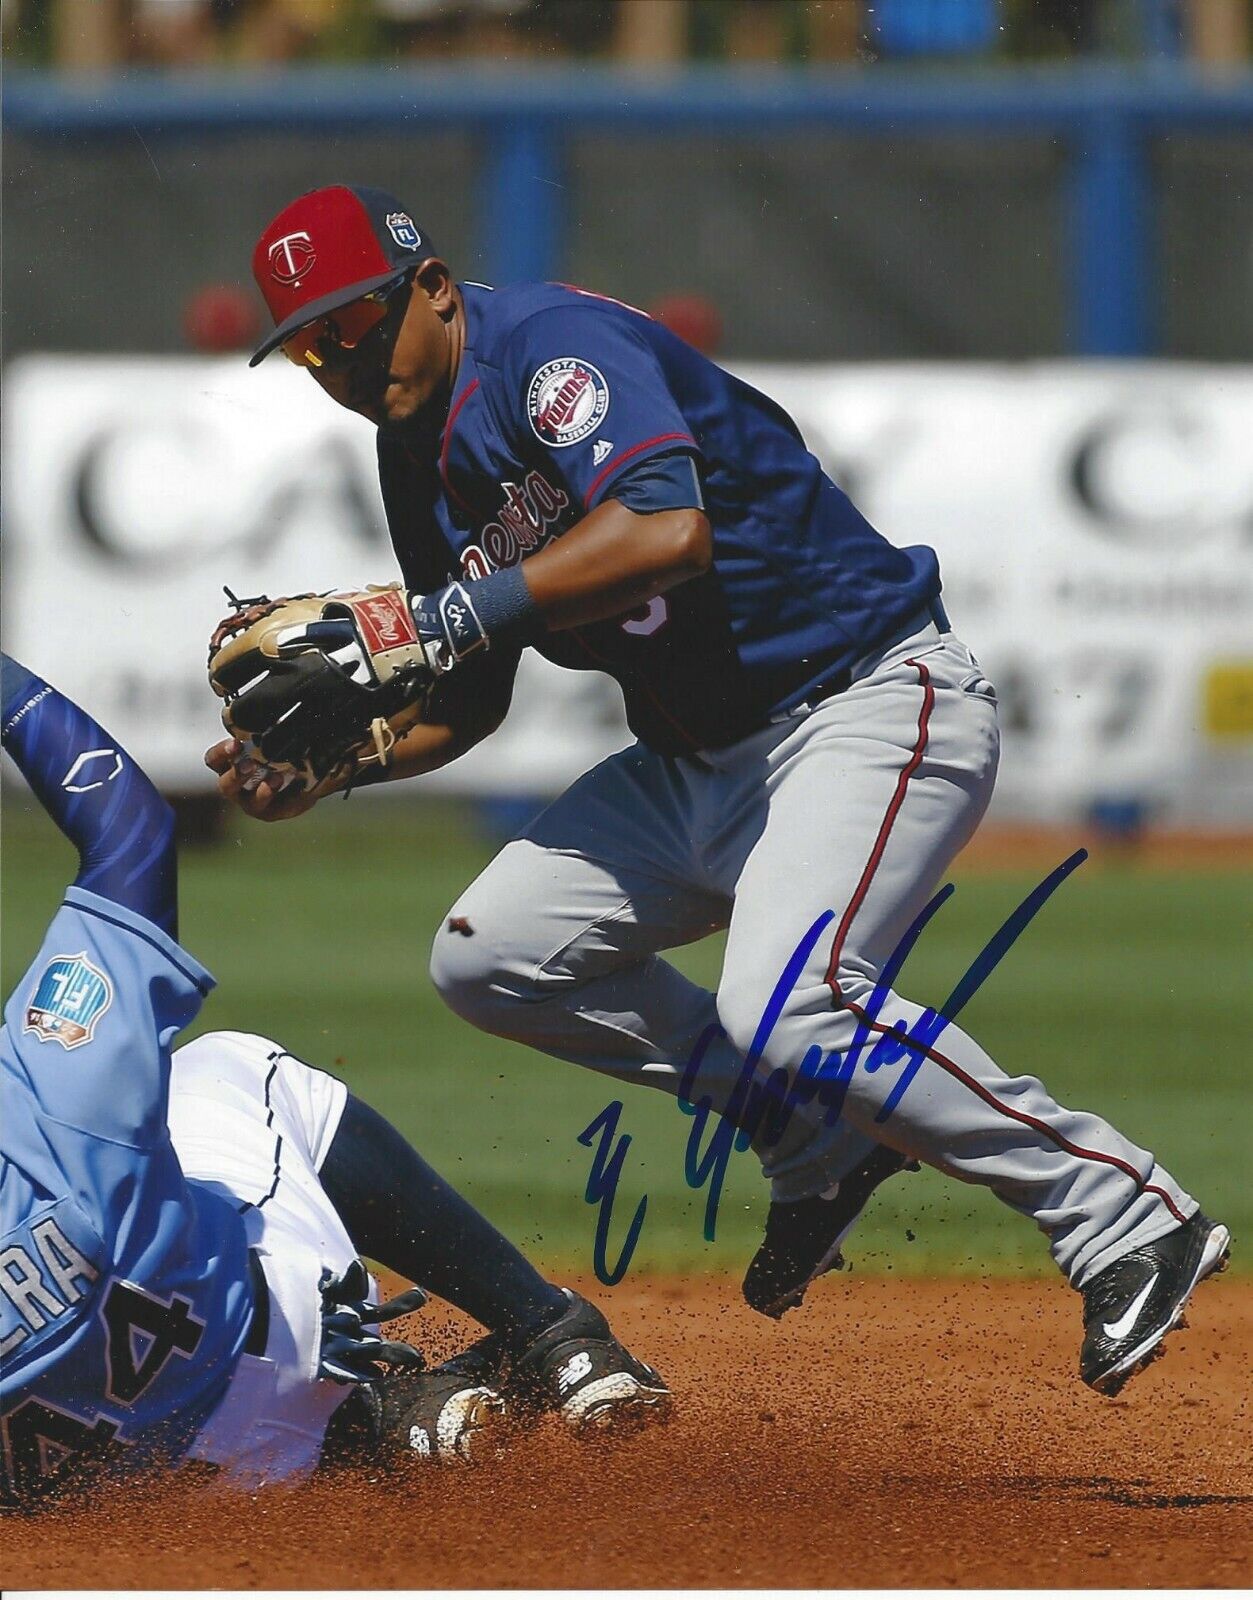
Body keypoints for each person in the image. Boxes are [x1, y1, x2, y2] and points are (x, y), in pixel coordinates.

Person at [214, 183, 1230, 1399]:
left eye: (358, 320)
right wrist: (342, 761)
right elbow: (471, 691)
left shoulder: (549, 352)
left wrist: (438, 615)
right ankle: (809, 1133)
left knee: (792, 1004)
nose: (341, 359)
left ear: (431, 286)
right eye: (311, 345)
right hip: (697, 763)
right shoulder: (410, 452)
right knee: (487, 957)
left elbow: (662, 530)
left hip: (864, 699)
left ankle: (1121, 1211)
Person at [0, 652, 669, 1509]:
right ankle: (545, 1336)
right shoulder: (55, 1108)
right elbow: (129, 825)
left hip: (182, 1482)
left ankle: (383, 1425)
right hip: (274, 1347)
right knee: (225, 1067)